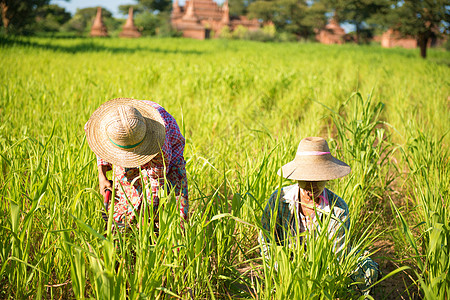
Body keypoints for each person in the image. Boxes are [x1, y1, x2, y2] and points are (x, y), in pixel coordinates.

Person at [259, 137, 379, 294]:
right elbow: (265, 241)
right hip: (287, 262)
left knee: (367, 273)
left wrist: (317, 282)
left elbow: (338, 257)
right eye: (306, 179)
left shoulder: (338, 210)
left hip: (325, 265)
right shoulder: (279, 199)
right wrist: (282, 270)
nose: (312, 186)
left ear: (328, 176)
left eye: (318, 179)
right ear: (296, 177)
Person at [84, 98, 188, 228]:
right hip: (131, 138)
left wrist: (145, 217)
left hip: (166, 158)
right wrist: (102, 175)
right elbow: (101, 143)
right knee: (124, 191)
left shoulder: (159, 146)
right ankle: (122, 228)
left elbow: (157, 183)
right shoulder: (109, 123)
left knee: (171, 203)